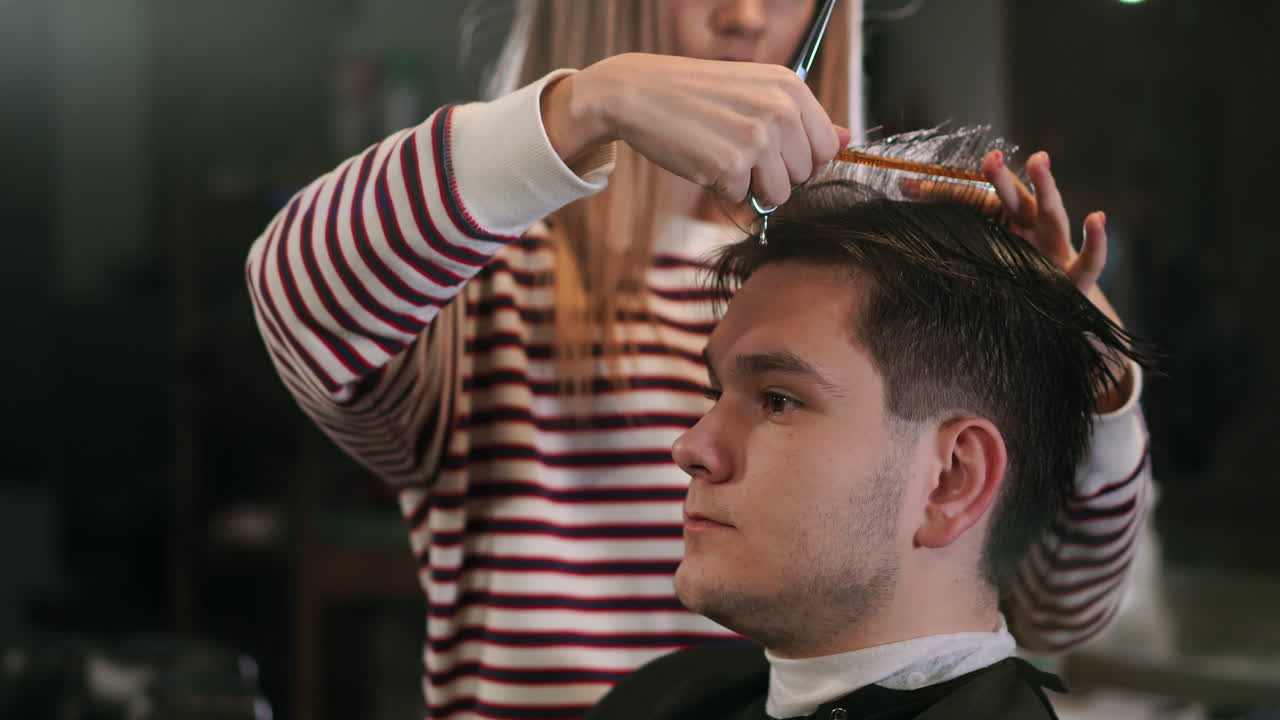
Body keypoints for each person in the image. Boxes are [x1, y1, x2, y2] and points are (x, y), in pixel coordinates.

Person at [245, 1, 1150, 716]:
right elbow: (295, 291)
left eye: (782, 398)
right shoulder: (481, 275)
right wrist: (581, 108)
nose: (746, 16)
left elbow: (1055, 605)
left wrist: (1088, 378)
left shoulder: (873, 295)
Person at [585, 188, 1150, 720]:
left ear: (952, 479)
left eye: (778, 400)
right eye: (716, 394)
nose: (691, 447)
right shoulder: (663, 699)